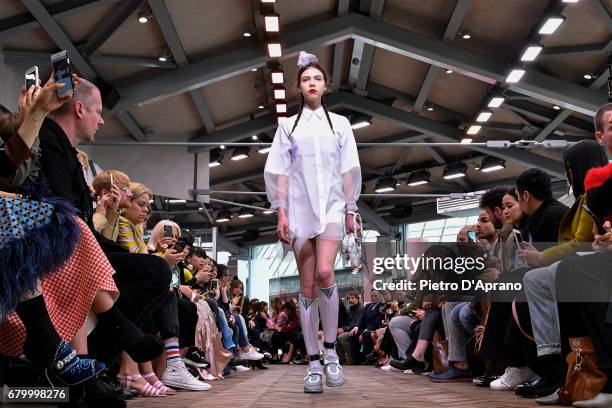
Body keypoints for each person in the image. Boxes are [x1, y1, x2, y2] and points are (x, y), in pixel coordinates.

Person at [264, 51, 361, 393]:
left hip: (333, 208)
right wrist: (281, 212)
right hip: (300, 211)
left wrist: (350, 210)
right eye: (306, 79)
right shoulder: (287, 126)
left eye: (317, 78)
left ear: (325, 85)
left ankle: (331, 353)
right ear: (299, 87)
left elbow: (349, 169)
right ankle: (313, 363)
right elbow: (278, 173)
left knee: (324, 273)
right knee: (306, 287)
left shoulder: (341, 125)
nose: (312, 83)